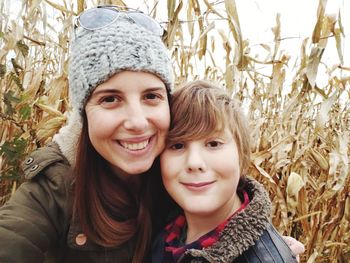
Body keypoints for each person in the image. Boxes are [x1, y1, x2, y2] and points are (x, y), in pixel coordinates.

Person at [0, 5, 303, 263]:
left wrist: (267, 246)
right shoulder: (53, 192)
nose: (137, 122)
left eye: (151, 96)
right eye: (110, 98)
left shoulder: (178, 177)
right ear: (84, 113)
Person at [152, 80, 299, 262]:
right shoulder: (162, 229)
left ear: (242, 153)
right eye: (178, 145)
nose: (194, 162)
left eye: (213, 144)